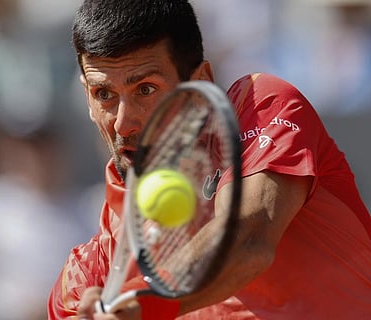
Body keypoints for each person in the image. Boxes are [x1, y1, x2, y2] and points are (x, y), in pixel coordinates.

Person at [48, 0, 371, 319]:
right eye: (103, 94)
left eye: (145, 89)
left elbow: (247, 239)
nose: (122, 123)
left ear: (200, 82)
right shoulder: (89, 273)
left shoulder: (261, 106)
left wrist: (143, 302)